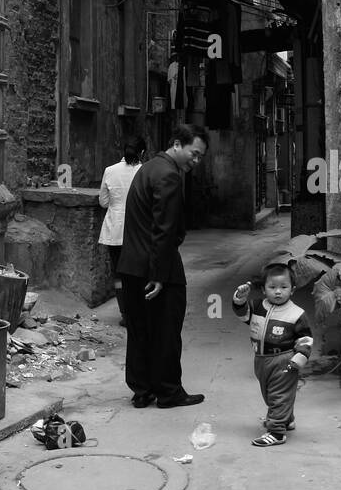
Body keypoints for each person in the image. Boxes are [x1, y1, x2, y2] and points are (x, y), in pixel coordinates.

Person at [118, 123, 210, 409]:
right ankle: (169, 391)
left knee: (140, 332)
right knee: (166, 332)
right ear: (177, 144)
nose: (195, 162)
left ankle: (142, 390)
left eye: (200, 157)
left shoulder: (148, 168)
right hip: (157, 268)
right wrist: (159, 275)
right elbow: (164, 230)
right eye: (194, 154)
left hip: (131, 266)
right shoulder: (169, 176)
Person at [232, 261, 313, 446]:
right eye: (272, 287)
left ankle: (277, 431)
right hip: (261, 359)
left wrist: (299, 357)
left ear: (292, 290)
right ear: (263, 289)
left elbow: (306, 339)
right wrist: (239, 299)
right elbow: (243, 315)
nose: (278, 291)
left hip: (284, 360)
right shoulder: (257, 306)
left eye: (284, 287)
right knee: (269, 394)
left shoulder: (296, 314)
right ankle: (286, 419)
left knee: (278, 395)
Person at [98, 138, 145, 327]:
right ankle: (138, 312)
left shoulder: (110, 171)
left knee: (118, 274)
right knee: (137, 274)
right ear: (142, 153)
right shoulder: (144, 171)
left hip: (115, 230)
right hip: (138, 231)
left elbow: (103, 201)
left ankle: (125, 313)